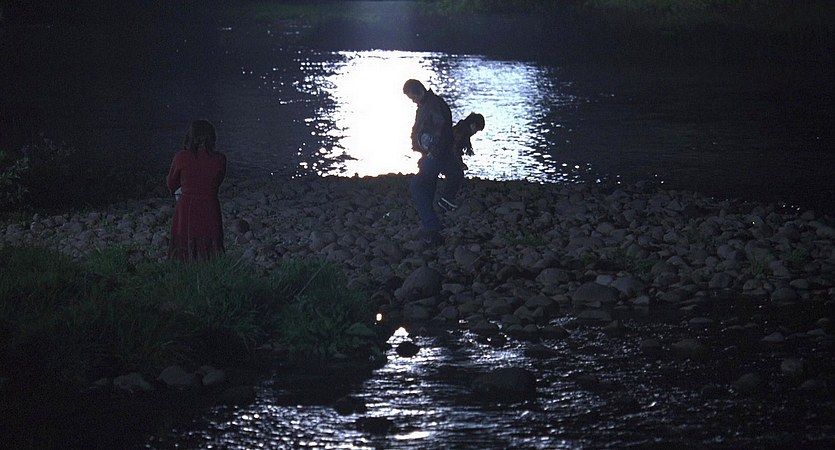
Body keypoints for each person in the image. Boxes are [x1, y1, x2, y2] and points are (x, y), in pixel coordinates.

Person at [166, 119, 227, 261]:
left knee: (183, 244)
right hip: (210, 205)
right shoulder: (220, 159)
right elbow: (218, 181)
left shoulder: (182, 157)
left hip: (187, 207)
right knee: (211, 245)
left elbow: (171, 183)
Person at [403, 79, 454, 246]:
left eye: (412, 97)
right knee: (428, 188)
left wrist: (433, 152)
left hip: (435, 156)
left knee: (417, 186)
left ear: (419, 91)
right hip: (432, 154)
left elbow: (442, 129)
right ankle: (432, 231)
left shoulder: (432, 105)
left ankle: (431, 225)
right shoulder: (428, 104)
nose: (413, 101)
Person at [438, 112, 485, 212]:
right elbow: (454, 149)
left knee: (455, 175)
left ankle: (446, 199)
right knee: (457, 175)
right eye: (476, 130)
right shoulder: (461, 132)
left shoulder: (461, 129)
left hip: (444, 156)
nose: (475, 133)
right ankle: (446, 199)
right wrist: (460, 164)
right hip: (443, 157)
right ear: (473, 125)